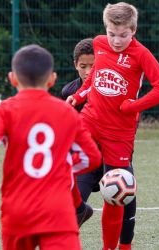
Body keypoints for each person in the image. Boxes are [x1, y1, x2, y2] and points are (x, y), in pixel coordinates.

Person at [0, 44, 102, 250]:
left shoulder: (5, 110)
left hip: (17, 210)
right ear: (52, 79)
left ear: (12, 79)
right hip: (58, 209)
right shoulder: (66, 111)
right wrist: (66, 166)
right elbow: (92, 157)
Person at [66, 2, 159, 249]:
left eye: (123, 35)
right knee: (64, 159)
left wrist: (132, 106)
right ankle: (79, 209)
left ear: (133, 30)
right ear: (106, 28)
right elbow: (95, 76)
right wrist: (80, 95)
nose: (116, 40)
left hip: (119, 134)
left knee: (115, 194)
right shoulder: (99, 43)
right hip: (90, 121)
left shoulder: (141, 54)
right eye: (112, 33)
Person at [60, 38, 97, 227]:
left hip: (111, 157)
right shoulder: (69, 92)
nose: (89, 71)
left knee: (121, 200)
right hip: (85, 161)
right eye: (83, 66)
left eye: (94, 65)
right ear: (75, 65)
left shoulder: (111, 89)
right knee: (70, 209)